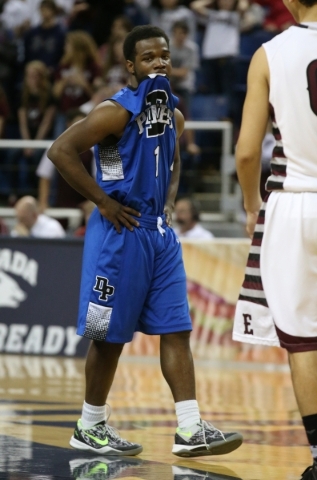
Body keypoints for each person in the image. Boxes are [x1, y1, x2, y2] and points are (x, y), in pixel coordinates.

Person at [47, 24, 243, 457]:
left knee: (177, 329)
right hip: (119, 233)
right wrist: (102, 200)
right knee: (108, 336)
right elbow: (60, 150)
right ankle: (90, 425)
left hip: (157, 232)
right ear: (131, 65)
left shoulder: (174, 115)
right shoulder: (115, 111)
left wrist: (170, 200)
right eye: (150, 57)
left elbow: (172, 164)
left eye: (164, 56)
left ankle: (190, 428)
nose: (160, 63)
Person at [231, 1, 317, 478]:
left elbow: (247, 152)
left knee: (305, 340)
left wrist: (250, 206)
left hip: (296, 202)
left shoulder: (269, 53)